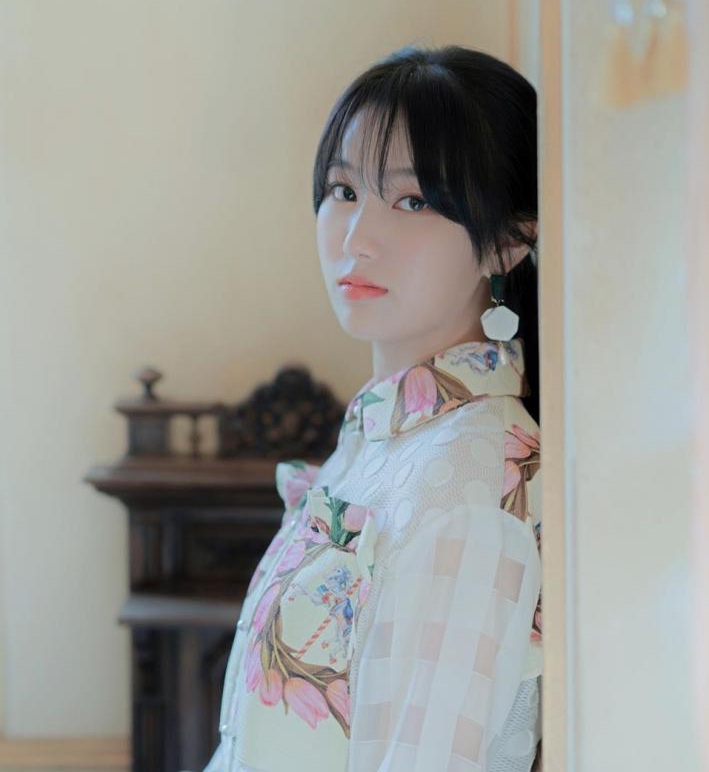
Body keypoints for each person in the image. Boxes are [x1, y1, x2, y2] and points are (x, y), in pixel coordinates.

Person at [203, 43, 543, 772]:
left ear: (507, 244)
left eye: (413, 201)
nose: (356, 239)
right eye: (343, 189)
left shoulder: (467, 479)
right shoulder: (393, 437)